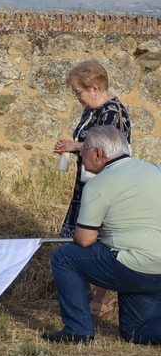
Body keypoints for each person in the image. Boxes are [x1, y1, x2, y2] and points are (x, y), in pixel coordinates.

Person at [46, 126, 161, 344]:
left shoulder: (98, 184)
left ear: (99, 154)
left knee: (64, 257)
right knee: (135, 331)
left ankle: (77, 329)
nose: (81, 153)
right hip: (156, 269)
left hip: (133, 264)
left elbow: (85, 239)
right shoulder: (156, 170)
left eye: (84, 149)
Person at [53, 60, 131, 317]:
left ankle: (102, 295)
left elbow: (106, 150)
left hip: (106, 184)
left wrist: (75, 146)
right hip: (87, 183)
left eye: (79, 92)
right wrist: (72, 144)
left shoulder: (113, 112)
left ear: (95, 87)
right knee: (79, 233)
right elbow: (87, 141)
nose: (77, 97)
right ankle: (83, 290)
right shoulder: (91, 110)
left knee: (102, 236)